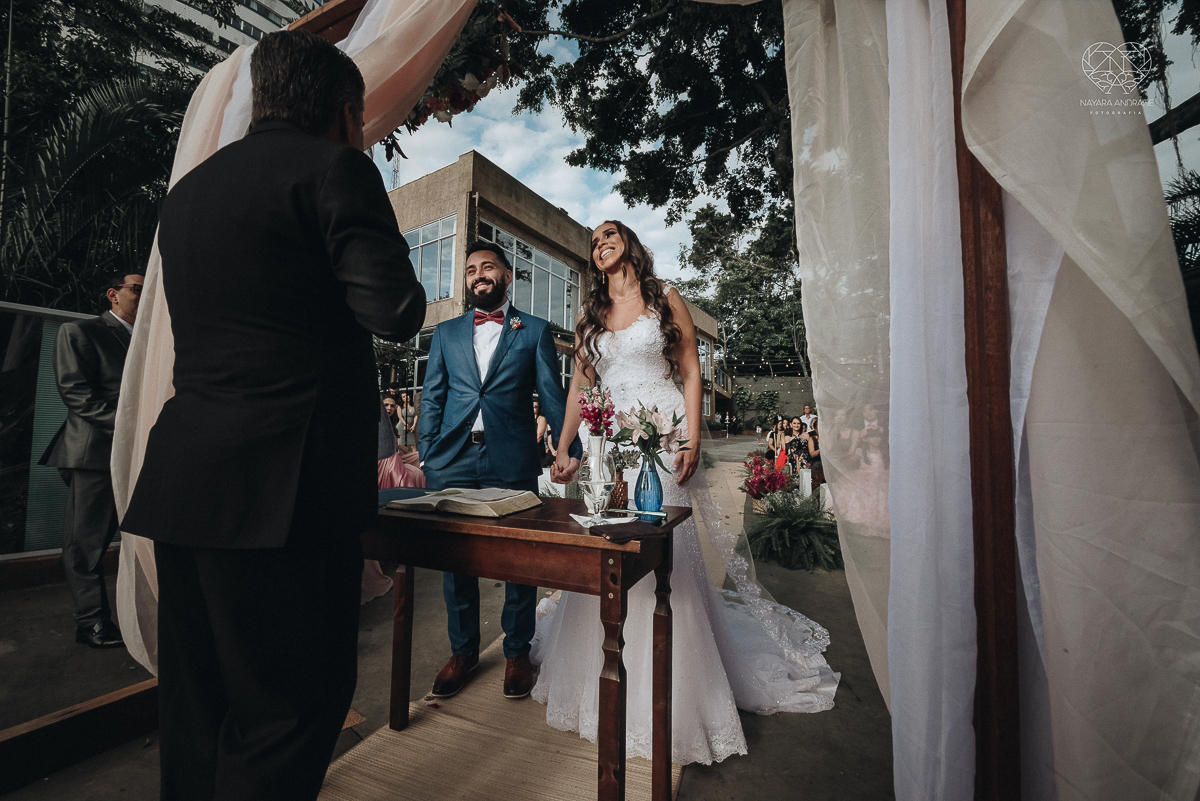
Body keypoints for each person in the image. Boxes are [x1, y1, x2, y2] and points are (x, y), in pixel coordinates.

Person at [120, 30, 426, 801]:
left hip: (183, 483)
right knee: (289, 713)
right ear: (346, 113)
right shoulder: (336, 171)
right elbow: (395, 309)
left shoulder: (188, 193)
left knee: (197, 713)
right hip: (283, 493)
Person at [539, 220, 838, 766]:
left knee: (665, 553)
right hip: (608, 442)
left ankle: (674, 688)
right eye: (594, 241)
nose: (601, 244)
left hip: (662, 433)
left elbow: (691, 370)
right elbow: (581, 386)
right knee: (610, 548)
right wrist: (564, 448)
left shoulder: (664, 296)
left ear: (629, 243)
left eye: (609, 235)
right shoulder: (590, 315)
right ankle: (596, 679)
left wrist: (693, 436)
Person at [419, 240, 581, 701]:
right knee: (457, 562)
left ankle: (516, 652)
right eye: (471, 270)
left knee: (519, 559)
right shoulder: (446, 332)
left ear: (507, 275)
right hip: (452, 460)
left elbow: (551, 392)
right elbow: (432, 396)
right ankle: (463, 652)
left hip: (511, 459)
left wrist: (567, 448)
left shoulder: (533, 330)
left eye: (488, 267)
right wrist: (428, 453)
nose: (479, 275)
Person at [40, 272, 144, 648]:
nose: (144, 296)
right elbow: (77, 394)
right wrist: (135, 429)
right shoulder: (79, 331)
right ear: (113, 294)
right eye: (137, 289)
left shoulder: (149, 342)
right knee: (85, 544)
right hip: (95, 455)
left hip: (139, 456)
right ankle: (92, 623)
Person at [533, 398, 555, 468]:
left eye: (535, 406)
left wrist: (530, 446)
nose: (533, 408)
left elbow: (540, 435)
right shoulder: (528, 418)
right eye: (532, 406)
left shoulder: (541, 418)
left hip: (537, 447)